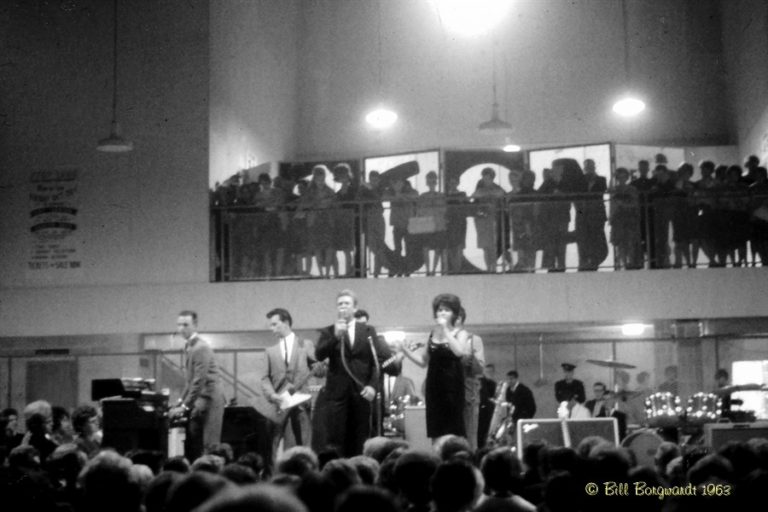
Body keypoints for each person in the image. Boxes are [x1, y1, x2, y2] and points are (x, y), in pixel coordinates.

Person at [314, 289, 401, 456]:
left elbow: (377, 362)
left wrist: (372, 386)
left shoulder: (368, 331)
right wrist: (335, 337)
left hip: (362, 392)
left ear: (355, 308)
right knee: (335, 437)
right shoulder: (328, 331)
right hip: (337, 394)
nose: (343, 307)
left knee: (360, 437)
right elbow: (319, 355)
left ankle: (359, 471)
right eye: (340, 304)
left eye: (347, 304)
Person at [400, 293, 470, 441]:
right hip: (433, 385)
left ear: (454, 313)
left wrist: (445, 330)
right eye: (439, 310)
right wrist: (405, 351)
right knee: (436, 428)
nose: (442, 313)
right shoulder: (433, 334)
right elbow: (423, 361)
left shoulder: (461, 333)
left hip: (452, 386)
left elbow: (459, 352)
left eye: (446, 310)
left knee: (453, 426)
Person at [262, 308, 317, 458]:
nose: (271, 329)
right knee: (278, 449)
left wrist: (323, 366)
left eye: (274, 324)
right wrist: (272, 395)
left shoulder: (305, 345)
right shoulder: (270, 351)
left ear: (286, 322)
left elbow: (319, 370)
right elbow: (265, 378)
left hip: (301, 405)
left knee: (304, 449)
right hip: (280, 405)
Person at [170, 310, 225, 461]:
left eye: (185, 325)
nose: (181, 328)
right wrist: (180, 403)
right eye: (179, 325)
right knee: (194, 445)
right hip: (200, 401)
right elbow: (190, 382)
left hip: (209, 400)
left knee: (209, 447)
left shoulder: (200, 347)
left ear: (195, 325)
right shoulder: (189, 347)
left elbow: (198, 381)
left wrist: (185, 406)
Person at [576, 159, 608, 271]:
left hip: (597, 214)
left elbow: (600, 191)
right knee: (585, 239)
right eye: (587, 166)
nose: (589, 168)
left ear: (594, 166)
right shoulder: (579, 180)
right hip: (584, 215)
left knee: (597, 239)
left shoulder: (601, 179)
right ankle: (585, 262)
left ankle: (595, 261)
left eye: (590, 166)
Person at [477, 364, 497, 448]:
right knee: (480, 434)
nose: (489, 373)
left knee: (485, 433)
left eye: (490, 372)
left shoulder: (492, 384)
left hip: (487, 412)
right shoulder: (480, 381)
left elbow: (493, 397)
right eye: (487, 371)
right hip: (482, 412)